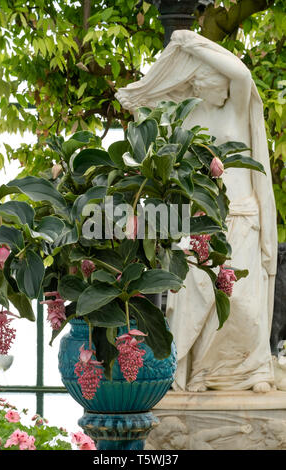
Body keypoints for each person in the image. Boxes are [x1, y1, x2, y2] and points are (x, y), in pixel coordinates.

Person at [115, 30, 277, 393]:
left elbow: (243, 76)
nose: (226, 89)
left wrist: (192, 44)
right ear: (203, 86)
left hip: (243, 214)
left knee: (243, 299)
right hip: (205, 221)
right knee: (202, 296)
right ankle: (203, 371)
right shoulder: (189, 119)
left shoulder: (233, 107)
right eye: (218, 84)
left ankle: (252, 371)